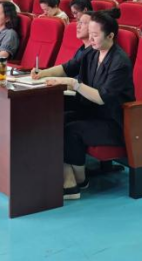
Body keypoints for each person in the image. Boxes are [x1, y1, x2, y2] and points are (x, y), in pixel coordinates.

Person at [32, 11, 135, 200]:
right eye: (91, 34)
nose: (91, 38)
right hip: (92, 113)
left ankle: (79, 181)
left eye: (95, 35)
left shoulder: (120, 62)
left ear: (110, 36)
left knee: (72, 130)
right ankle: (68, 176)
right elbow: (68, 67)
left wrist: (75, 84)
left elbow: (102, 98)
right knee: (55, 121)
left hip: (114, 122)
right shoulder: (92, 52)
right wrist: (42, 73)